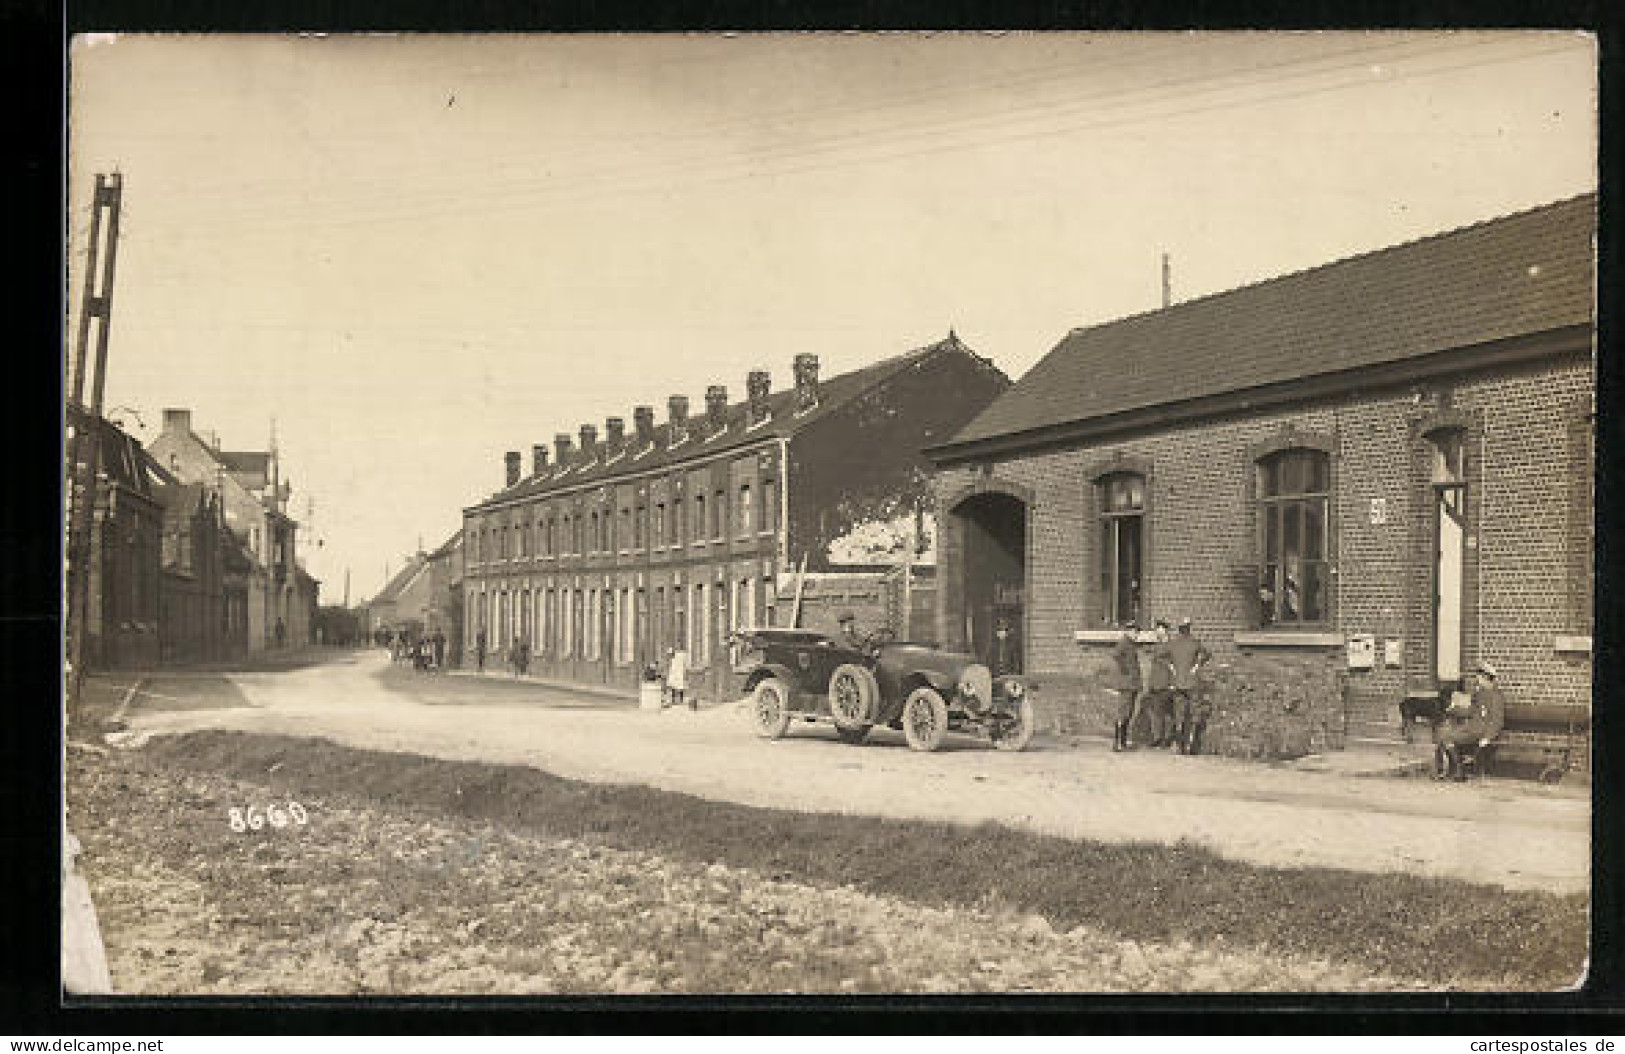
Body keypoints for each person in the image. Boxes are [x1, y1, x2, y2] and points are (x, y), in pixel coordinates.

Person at [1435, 663, 1507, 781]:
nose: (1477, 680)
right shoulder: (1480, 693)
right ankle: (1455, 770)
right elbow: (1471, 712)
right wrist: (1453, 709)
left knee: (1446, 737)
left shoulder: (1495, 696)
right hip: (1472, 728)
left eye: (1479, 677)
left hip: (1481, 731)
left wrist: (1488, 738)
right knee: (1443, 735)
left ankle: (1458, 771)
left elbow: (1497, 720)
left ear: (1486, 678)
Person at [1167, 617, 1213, 755]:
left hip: (1178, 683)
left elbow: (1161, 656)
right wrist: (1197, 665)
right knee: (1194, 712)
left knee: (1179, 713)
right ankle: (1191, 746)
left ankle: (1180, 746)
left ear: (1179, 629)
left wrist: (1172, 668)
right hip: (1192, 683)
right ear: (1189, 628)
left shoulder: (1172, 644)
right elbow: (1207, 654)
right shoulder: (1195, 643)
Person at [1108, 624, 1143, 752]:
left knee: (1128, 713)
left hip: (1132, 684)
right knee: (1123, 713)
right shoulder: (1124, 642)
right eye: (1135, 632)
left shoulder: (1130, 644)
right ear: (1129, 631)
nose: (1137, 635)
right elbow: (1116, 655)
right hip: (1127, 684)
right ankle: (1117, 743)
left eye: (1137, 633)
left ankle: (1122, 742)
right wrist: (1125, 671)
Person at [1142, 620, 1175, 747]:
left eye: (1159, 629)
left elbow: (1173, 667)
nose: (1156, 631)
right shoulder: (1157, 646)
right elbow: (1154, 667)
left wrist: (1172, 683)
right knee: (1156, 712)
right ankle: (1157, 738)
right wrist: (1150, 683)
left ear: (1165, 630)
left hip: (1166, 684)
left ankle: (1167, 738)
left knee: (1167, 713)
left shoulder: (1171, 646)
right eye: (1156, 629)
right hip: (1155, 684)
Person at [666, 641, 690, 710]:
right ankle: (673, 700)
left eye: (679, 645)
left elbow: (686, 663)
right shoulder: (674, 653)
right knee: (673, 685)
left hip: (680, 670)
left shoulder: (684, 654)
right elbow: (669, 656)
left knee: (680, 686)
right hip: (674, 670)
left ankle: (681, 700)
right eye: (677, 645)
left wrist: (686, 670)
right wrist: (670, 653)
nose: (678, 646)